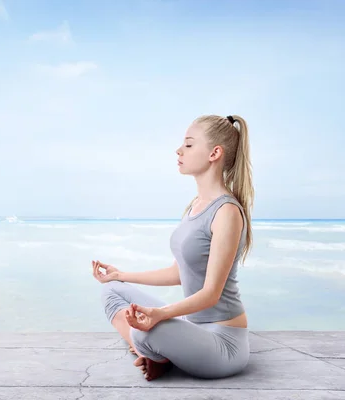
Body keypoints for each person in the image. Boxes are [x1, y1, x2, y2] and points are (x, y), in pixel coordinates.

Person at [92, 114, 254, 381]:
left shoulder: (226, 211)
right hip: (193, 327)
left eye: (189, 145)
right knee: (111, 291)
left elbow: (211, 294)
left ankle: (154, 352)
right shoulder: (195, 205)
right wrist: (120, 275)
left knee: (146, 329)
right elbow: (178, 273)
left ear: (214, 153)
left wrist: (160, 315)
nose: (179, 150)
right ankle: (153, 354)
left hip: (223, 343)